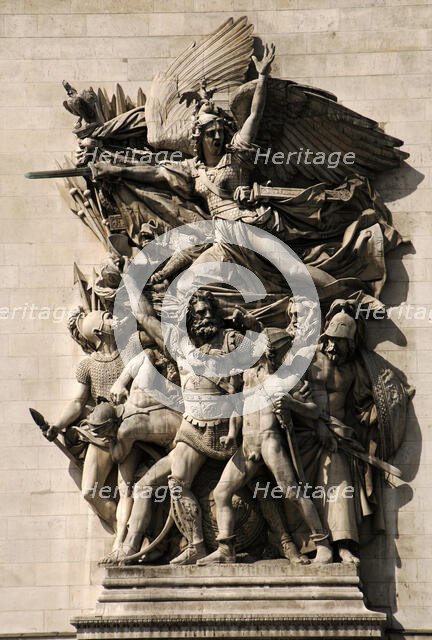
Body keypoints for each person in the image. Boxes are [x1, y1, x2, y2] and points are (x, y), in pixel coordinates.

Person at [197, 306, 333, 565]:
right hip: (248, 446)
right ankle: (226, 549)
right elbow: (239, 405)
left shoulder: (285, 377)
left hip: (270, 443)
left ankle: (323, 543)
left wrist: (292, 405)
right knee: (221, 493)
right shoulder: (248, 374)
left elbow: (315, 411)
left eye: (270, 349)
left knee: (292, 492)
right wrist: (233, 432)